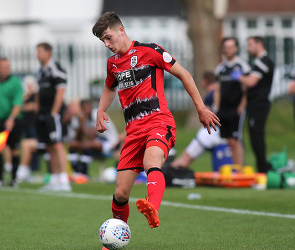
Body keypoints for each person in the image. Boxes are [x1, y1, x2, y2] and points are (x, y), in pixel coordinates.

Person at [92, 12, 220, 235]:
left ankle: (153, 208)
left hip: (159, 123)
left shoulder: (149, 51)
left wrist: (200, 108)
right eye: (103, 40)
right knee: (121, 193)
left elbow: (184, 74)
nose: (106, 44)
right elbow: (109, 87)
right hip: (133, 132)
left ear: (121, 30)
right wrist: (101, 110)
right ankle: (118, 234)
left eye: (108, 37)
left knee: (152, 160)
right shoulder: (112, 64)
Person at [35, 42, 71, 192]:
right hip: (42, 114)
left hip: (53, 114)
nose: (37, 55)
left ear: (48, 52)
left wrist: (54, 113)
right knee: (49, 146)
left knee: (57, 144)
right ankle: (55, 179)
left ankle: (64, 179)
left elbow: (60, 92)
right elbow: (38, 94)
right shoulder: (39, 72)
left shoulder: (56, 69)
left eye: (40, 52)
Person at [236, 36, 275, 172]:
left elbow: (251, 82)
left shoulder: (264, 61)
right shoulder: (257, 62)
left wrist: (239, 76)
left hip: (260, 104)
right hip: (254, 104)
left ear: (259, 44)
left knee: (257, 136)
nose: (248, 48)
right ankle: (262, 167)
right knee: (254, 136)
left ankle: (263, 169)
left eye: (250, 45)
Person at [171, 72, 223, 169]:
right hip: (219, 131)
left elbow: (209, 114)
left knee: (186, 158)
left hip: (210, 132)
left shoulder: (211, 96)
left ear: (205, 82)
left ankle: (173, 170)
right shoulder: (219, 94)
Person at [214, 37, 250, 167]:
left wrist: (242, 106)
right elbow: (217, 90)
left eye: (231, 47)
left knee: (235, 139)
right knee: (228, 140)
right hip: (224, 109)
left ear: (236, 48)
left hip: (236, 108)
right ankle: (235, 167)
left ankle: (239, 169)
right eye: (226, 47)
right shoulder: (220, 69)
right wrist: (216, 108)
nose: (228, 50)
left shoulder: (242, 66)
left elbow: (246, 89)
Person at [0, 58, 23, 187]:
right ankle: (0, 178)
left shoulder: (15, 83)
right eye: (3, 67)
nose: (6, 69)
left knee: (14, 149)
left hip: (13, 120)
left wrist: (11, 118)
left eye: (7, 67)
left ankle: (14, 178)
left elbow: (17, 102)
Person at [67, 99, 119, 182]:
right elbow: (77, 137)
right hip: (95, 141)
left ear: (90, 107)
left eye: (87, 108)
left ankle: (83, 173)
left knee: (89, 144)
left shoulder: (96, 115)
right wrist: (80, 124)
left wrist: (82, 123)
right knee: (72, 144)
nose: (85, 110)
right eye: (83, 109)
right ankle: (76, 172)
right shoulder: (79, 117)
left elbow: (91, 136)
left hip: (111, 143)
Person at [16, 76, 39, 181]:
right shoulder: (25, 96)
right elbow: (20, 105)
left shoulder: (36, 96)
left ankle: (33, 168)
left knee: (32, 146)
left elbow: (33, 107)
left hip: (33, 124)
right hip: (25, 124)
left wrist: (25, 106)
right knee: (25, 144)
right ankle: (26, 169)